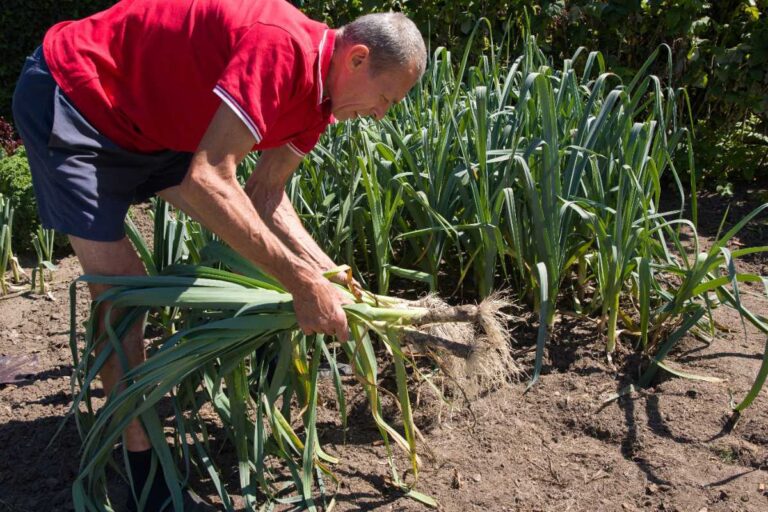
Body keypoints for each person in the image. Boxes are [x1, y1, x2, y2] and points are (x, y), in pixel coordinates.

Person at [12, 0, 427, 510]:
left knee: (160, 277)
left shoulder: (320, 103)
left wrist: (330, 275)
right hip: (78, 95)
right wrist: (301, 283)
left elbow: (265, 194)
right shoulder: (281, 46)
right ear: (357, 59)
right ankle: (145, 477)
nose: (381, 114)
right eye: (385, 98)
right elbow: (209, 177)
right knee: (124, 291)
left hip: (148, 124)